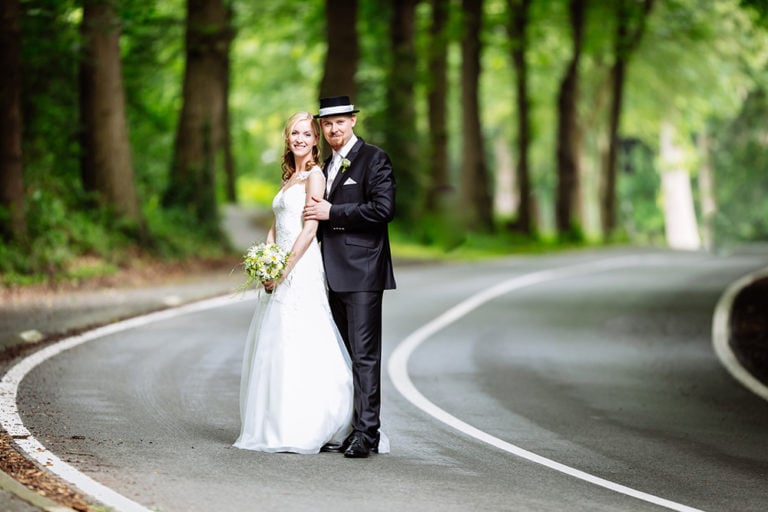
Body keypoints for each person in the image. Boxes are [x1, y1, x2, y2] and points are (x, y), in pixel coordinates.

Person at [234, 112, 354, 454]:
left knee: (300, 337)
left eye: (306, 133)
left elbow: (310, 229)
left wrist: (284, 268)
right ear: (288, 139)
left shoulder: (315, 177)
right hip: (278, 265)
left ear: (315, 140)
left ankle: (311, 420)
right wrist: (265, 260)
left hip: (300, 267)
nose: (300, 138)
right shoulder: (290, 177)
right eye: (294, 133)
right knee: (274, 341)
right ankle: (274, 420)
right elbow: (276, 224)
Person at [304, 96, 397, 458]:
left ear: (353, 121)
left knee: (364, 356)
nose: (333, 129)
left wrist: (334, 212)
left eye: (340, 122)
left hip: (362, 273)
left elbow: (383, 209)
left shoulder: (374, 159)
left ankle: (366, 433)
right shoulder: (325, 165)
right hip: (328, 274)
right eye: (327, 125)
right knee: (341, 355)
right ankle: (347, 426)